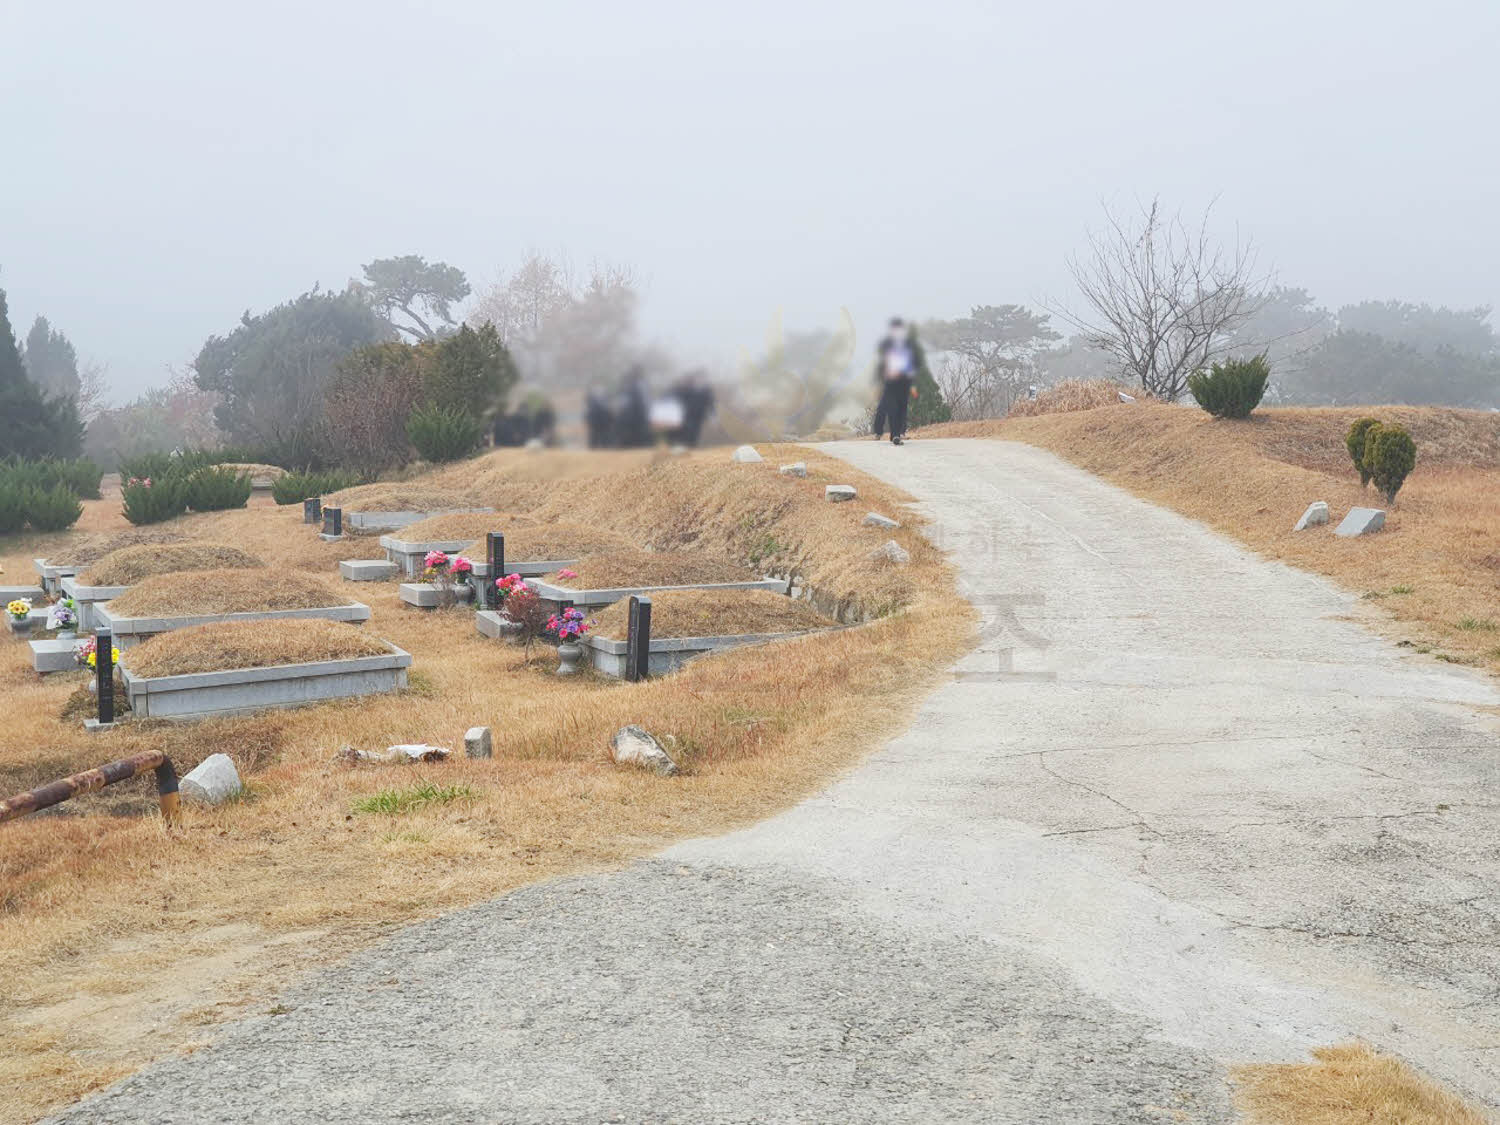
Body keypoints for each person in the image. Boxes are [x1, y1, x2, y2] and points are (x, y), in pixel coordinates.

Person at [872, 317, 915, 445]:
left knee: (901, 407)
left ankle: (898, 433)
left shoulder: (907, 344)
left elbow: (911, 363)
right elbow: (882, 362)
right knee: (886, 408)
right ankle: (882, 432)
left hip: (904, 381)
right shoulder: (887, 344)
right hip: (890, 381)